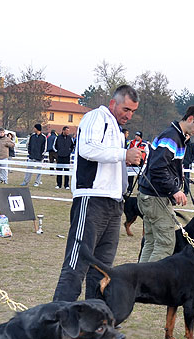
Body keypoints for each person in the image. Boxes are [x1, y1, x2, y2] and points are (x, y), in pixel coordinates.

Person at [52, 85, 142, 302]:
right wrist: (123, 154)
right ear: (113, 103)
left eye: (132, 111)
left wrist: (127, 160)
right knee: (76, 264)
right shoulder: (96, 117)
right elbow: (88, 149)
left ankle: (93, 315)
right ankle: (58, 316)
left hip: (114, 203)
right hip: (92, 199)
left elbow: (110, 159)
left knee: (102, 269)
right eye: (126, 109)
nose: (129, 116)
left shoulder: (117, 128)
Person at [138, 105, 194, 263]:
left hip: (151, 195)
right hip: (156, 197)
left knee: (151, 243)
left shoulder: (177, 137)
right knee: (165, 244)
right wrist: (174, 190)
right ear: (190, 119)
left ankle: (140, 277)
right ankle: (151, 278)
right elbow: (157, 168)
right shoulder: (171, 137)